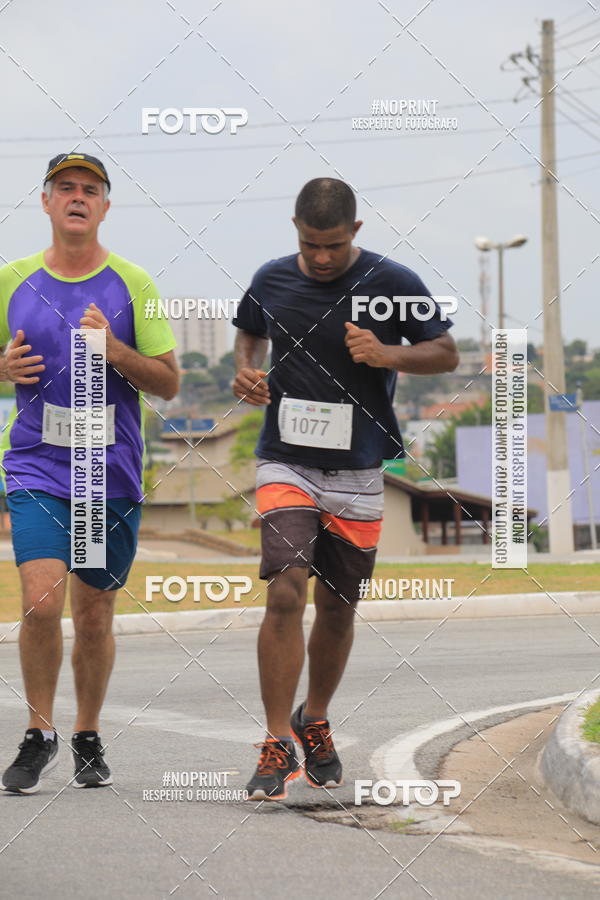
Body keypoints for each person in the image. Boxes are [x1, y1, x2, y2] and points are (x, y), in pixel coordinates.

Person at [232, 177, 458, 800]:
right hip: (286, 461)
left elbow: (445, 354)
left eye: (332, 245)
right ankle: (277, 741)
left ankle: (316, 717)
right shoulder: (272, 278)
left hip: (359, 468)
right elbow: (248, 331)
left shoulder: (394, 282)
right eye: (310, 245)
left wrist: (388, 355)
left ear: (355, 232)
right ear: (295, 231)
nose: (321, 257)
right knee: (284, 592)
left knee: (337, 606)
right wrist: (244, 371)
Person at [0, 153, 178, 794]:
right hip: (36, 466)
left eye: (91, 190)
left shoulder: (132, 283)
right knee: (41, 601)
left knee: (94, 614)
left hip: (107, 472)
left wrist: (117, 350)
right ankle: (38, 731)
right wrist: (2, 369)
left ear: (105, 207)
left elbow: (169, 383)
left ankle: (88, 732)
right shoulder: (12, 278)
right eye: (66, 188)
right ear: (46, 202)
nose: (78, 197)